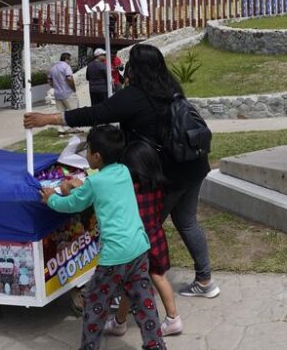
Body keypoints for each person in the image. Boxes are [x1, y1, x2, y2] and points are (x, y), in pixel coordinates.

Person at [24, 43, 218, 299]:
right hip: (193, 164)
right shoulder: (171, 89)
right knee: (187, 221)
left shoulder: (136, 95)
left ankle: (124, 289)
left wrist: (48, 119)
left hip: (167, 172)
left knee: (141, 229)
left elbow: (95, 113)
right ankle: (204, 280)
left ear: (135, 68)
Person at [41, 126, 166, 350]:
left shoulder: (95, 183)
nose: (86, 154)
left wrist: (51, 199)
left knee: (95, 304)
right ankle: (155, 344)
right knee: (144, 302)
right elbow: (97, 188)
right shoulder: (124, 171)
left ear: (97, 156)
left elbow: (72, 204)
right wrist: (81, 186)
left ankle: (89, 347)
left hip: (114, 256)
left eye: (88, 150)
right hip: (138, 248)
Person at [103, 141, 182, 338]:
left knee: (131, 282)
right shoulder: (158, 185)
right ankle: (170, 319)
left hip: (136, 242)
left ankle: (122, 323)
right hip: (156, 237)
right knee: (156, 277)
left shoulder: (130, 190)